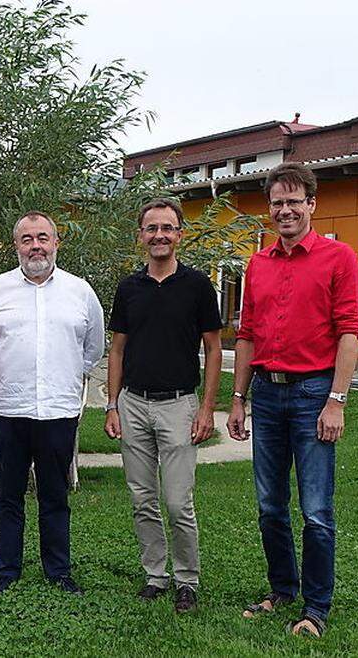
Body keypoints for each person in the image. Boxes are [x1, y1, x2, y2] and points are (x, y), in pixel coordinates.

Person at [225, 162, 358, 638]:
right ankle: (282, 589)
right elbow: (245, 336)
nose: (285, 210)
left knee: (317, 510)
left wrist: (336, 400)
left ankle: (316, 607)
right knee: (269, 504)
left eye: (293, 201)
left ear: (311, 205)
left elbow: (349, 333)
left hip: (312, 395)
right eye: (277, 202)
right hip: (265, 394)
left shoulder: (339, 257)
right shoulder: (257, 264)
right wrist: (238, 399)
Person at [0, 210, 105, 596]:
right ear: (16, 245)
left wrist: (61, 379)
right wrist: (2, 378)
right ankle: (7, 571)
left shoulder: (80, 292)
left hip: (58, 413)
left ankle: (58, 571)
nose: (36, 246)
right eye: (27, 239)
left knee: (54, 495)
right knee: (7, 496)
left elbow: (92, 348)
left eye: (43, 237)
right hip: (8, 412)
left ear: (56, 242)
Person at [104, 197, 223, 613]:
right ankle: (156, 574)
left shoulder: (197, 286)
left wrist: (207, 408)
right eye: (152, 228)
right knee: (142, 499)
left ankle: (187, 579)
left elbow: (213, 347)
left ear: (179, 235)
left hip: (178, 406)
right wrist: (112, 405)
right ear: (141, 237)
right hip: (133, 403)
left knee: (177, 501)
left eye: (167, 228)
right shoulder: (128, 288)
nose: (159, 235)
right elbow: (116, 350)